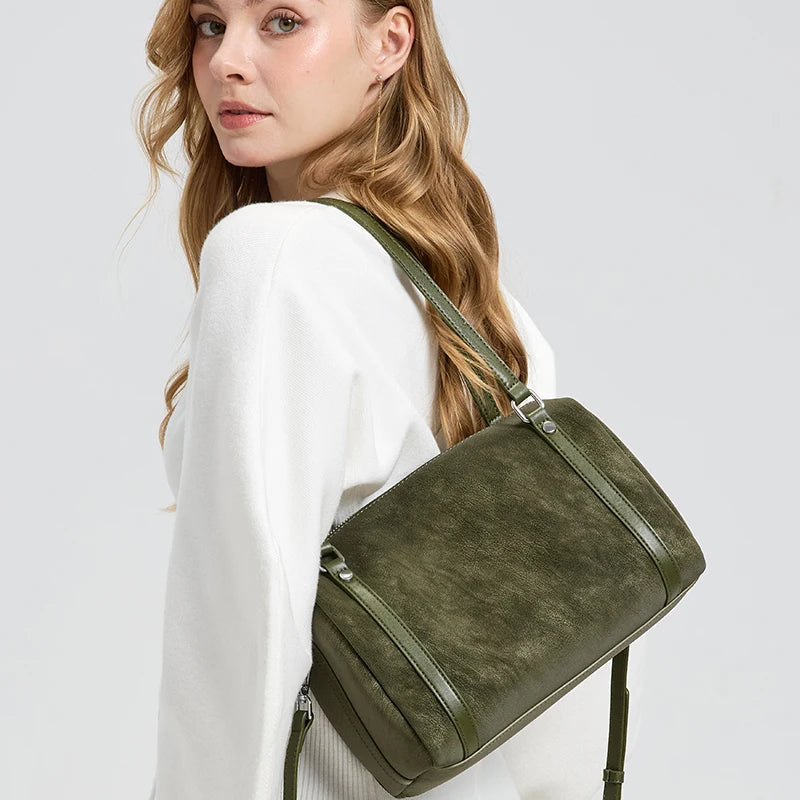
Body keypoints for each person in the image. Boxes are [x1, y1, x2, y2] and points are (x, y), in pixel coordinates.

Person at [134, 1, 647, 798]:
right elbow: (569, 640)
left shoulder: (271, 258)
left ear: (390, 41)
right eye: (209, 23)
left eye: (282, 21)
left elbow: (239, 630)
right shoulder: (486, 313)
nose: (228, 60)